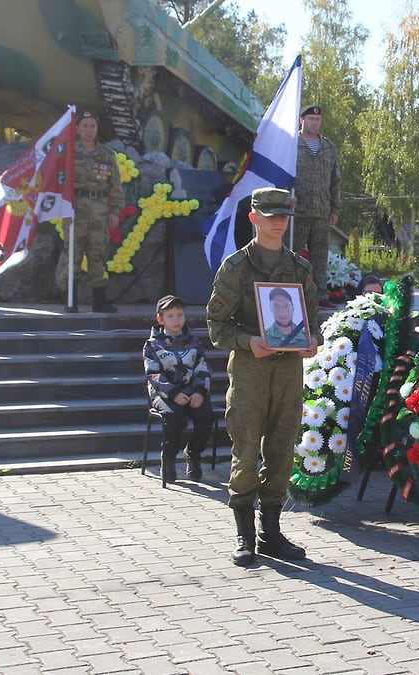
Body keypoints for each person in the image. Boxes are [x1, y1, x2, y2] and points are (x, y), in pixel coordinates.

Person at [207, 187, 319, 566]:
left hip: (288, 371)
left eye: (284, 215)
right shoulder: (236, 268)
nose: (278, 222)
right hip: (251, 370)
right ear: (253, 218)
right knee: (247, 450)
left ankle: (271, 531)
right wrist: (248, 339)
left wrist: (312, 341)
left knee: (282, 449)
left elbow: (311, 321)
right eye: (271, 215)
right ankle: (244, 534)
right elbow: (216, 326)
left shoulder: (300, 269)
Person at [144, 295, 215, 483]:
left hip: (192, 392)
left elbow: (203, 369)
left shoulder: (193, 343)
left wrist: (200, 392)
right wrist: (174, 393)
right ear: (160, 319)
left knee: (206, 413)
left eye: (180, 315)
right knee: (174, 416)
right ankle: (168, 459)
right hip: (165, 395)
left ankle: (193, 453)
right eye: (170, 316)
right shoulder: (152, 345)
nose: (176, 320)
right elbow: (153, 374)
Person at [62, 110, 124, 313]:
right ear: (78, 129)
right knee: (73, 254)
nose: (89, 130)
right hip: (74, 209)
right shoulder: (68, 152)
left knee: (97, 254)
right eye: (85, 126)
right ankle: (71, 300)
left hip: (99, 210)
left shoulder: (106, 154)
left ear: (97, 130)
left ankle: (99, 301)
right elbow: (58, 182)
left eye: (93, 126)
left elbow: (115, 185)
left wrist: (115, 211)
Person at [292, 105, 342, 310]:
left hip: (322, 211)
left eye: (317, 119)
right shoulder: (290, 144)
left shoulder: (328, 148)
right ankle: (291, 293)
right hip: (297, 210)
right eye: (310, 119)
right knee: (292, 255)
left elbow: (335, 180)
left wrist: (335, 209)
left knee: (320, 256)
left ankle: (320, 295)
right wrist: (285, 198)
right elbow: (280, 173)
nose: (314, 122)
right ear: (301, 120)